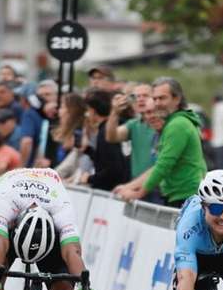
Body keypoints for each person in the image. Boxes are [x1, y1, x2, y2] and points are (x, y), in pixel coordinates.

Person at [114, 78, 207, 207]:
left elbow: (163, 166)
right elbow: (160, 165)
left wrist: (137, 193)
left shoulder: (177, 124)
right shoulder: (174, 123)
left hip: (184, 196)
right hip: (180, 195)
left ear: (177, 99)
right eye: (155, 98)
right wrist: (130, 186)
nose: (157, 103)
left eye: (162, 98)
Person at [105, 84, 158, 180]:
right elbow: (111, 137)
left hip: (157, 185)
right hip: (136, 183)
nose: (140, 99)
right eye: (137, 96)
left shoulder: (162, 124)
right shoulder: (134, 124)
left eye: (145, 95)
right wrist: (114, 112)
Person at [80, 89, 129, 191]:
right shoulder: (123, 125)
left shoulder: (105, 132)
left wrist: (89, 178)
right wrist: (88, 150)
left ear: (93, 111)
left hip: (114, 192)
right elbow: (107, 159)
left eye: (88, 110)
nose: (86, 114)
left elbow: (113, 169)